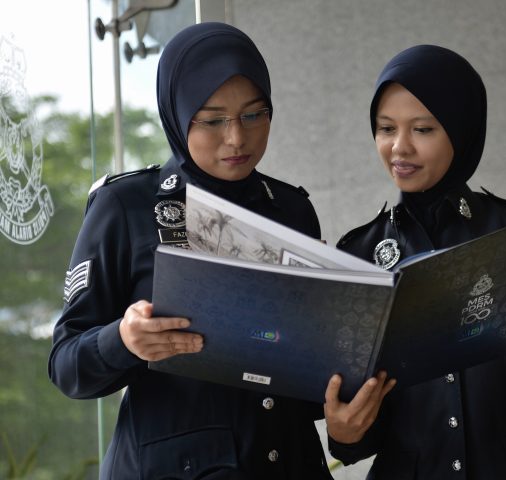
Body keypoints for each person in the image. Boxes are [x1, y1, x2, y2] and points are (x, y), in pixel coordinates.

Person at [48, 22, 332, 480]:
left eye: (254, 115)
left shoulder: (291, 209)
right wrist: (123, 340)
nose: (236, 138)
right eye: (213, 120)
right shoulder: (126, 206)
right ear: (177, 115)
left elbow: (297, 366)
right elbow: (66, 366)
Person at [323, 45, 506, 479]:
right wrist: (343, 432)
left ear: (461, 131)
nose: (399, 147)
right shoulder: (358, 256)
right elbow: (362, 438)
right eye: (385, 129)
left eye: (423, 129)